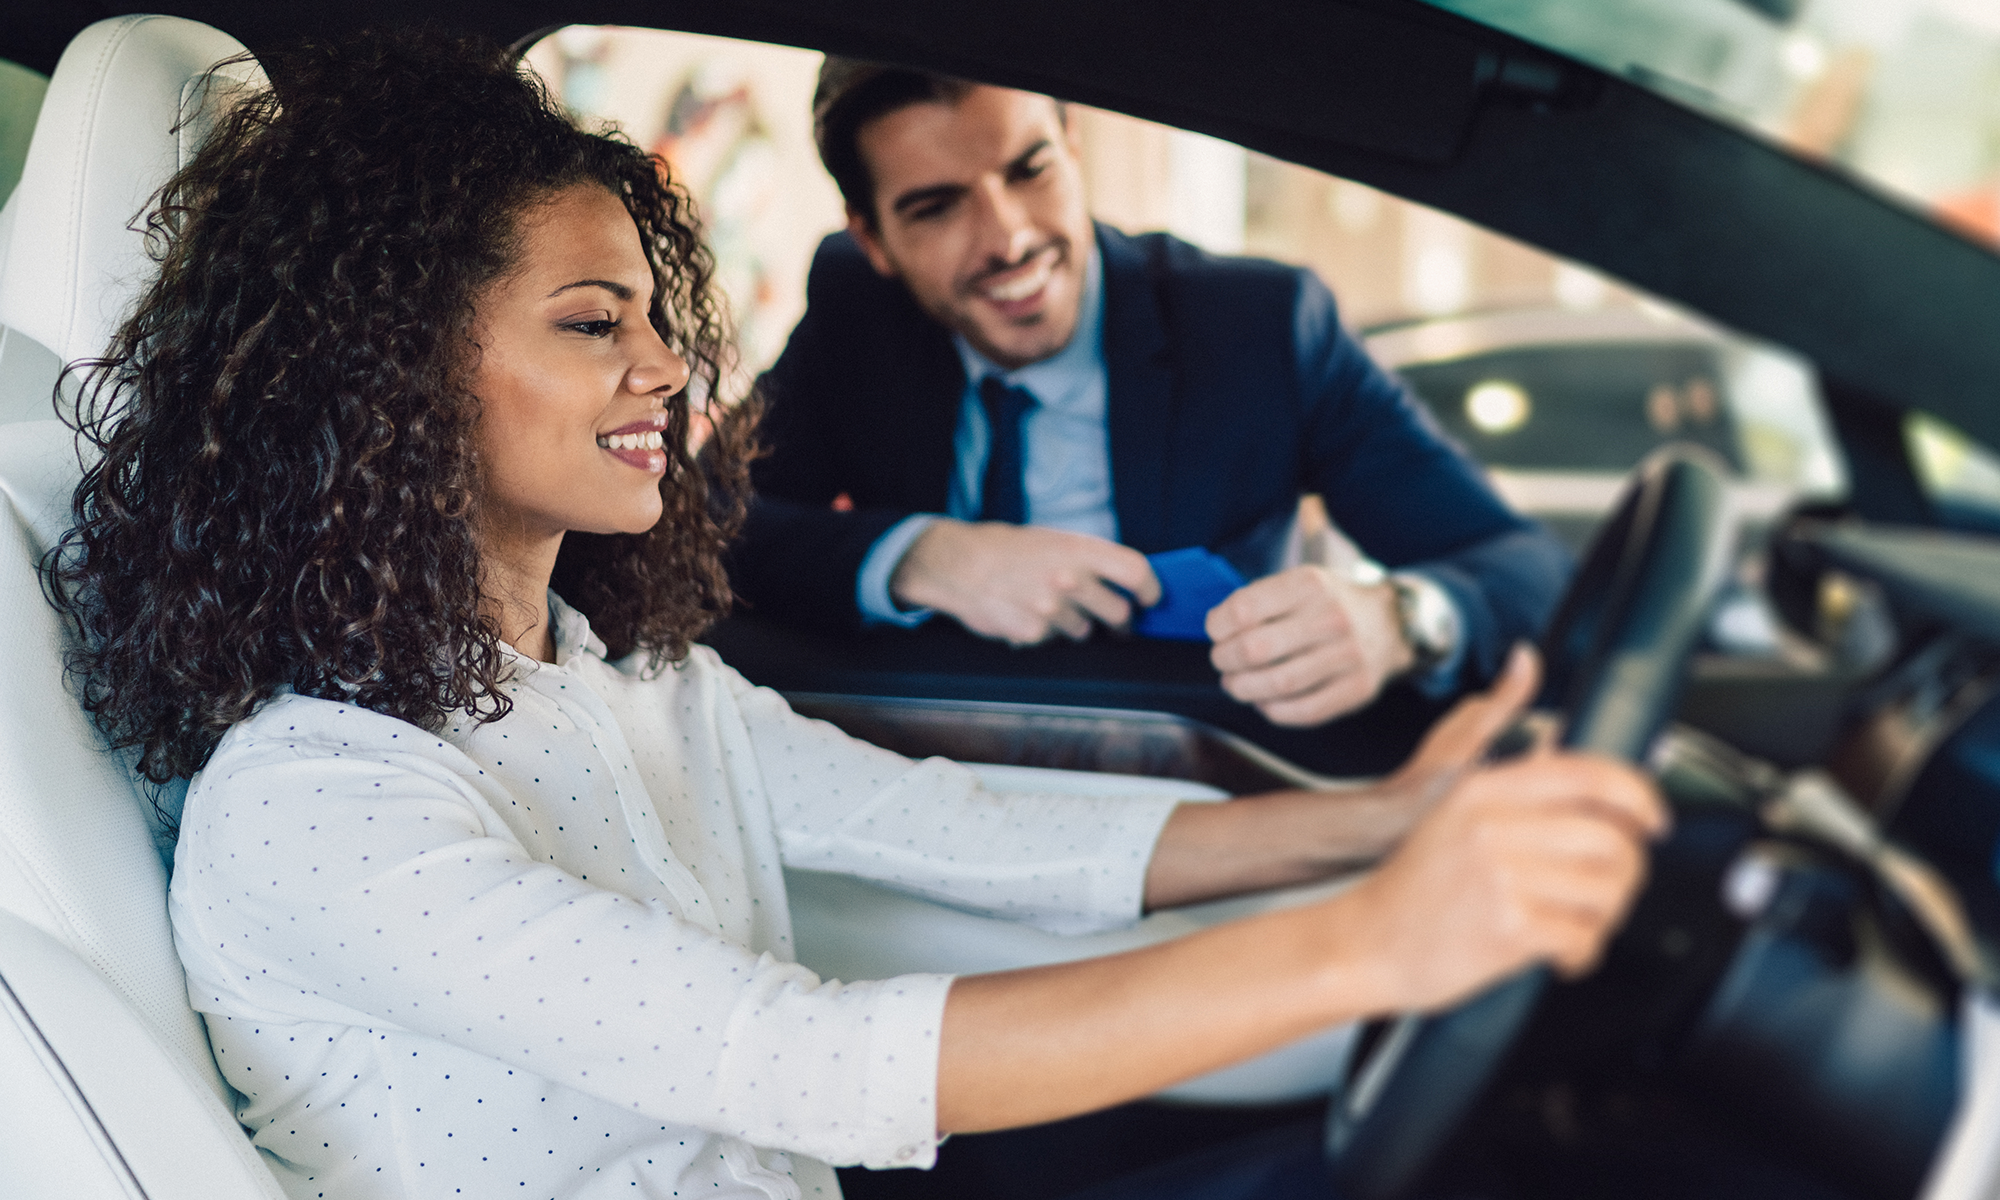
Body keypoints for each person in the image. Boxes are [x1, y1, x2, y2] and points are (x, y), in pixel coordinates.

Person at [48, 31, 1663, 1200]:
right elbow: (795, 1057)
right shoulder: (320, 806)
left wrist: (1374, 820)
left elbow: (960, 823)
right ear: (390, 381)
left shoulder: (622, 682)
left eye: (657, 319)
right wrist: (1374, 939)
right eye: (594, 323)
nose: (673, 370)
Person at [728, 62, 1573, 732]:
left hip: (1208, 770)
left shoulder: (1261, 329)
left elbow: (1522, 571)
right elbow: (708, 525)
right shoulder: (855, 313)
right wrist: (920, 558)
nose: (1010, 238)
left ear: (1075, 147)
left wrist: (1400, 619)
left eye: (1030, 169)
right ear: (871, 238)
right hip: (922, 767)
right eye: (937, 207)